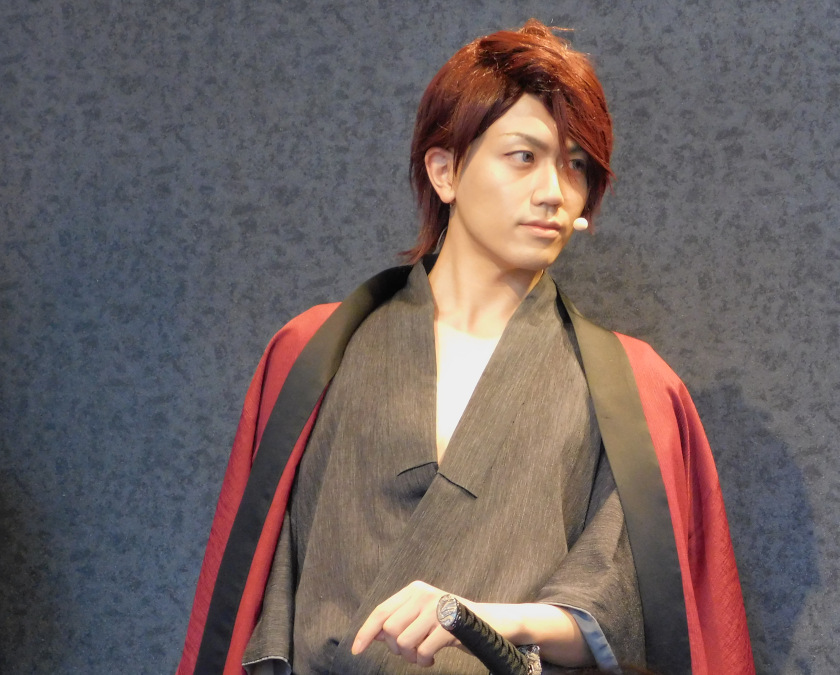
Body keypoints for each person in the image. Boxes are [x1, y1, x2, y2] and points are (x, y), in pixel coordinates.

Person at [176, 19, 754, 675]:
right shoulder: (313, 353)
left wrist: (482, 619)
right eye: (524, 156)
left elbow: (625, 610)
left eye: (575, 165)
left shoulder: (632, 390)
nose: (554, 192)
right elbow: (261, 590)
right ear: (445, 171)